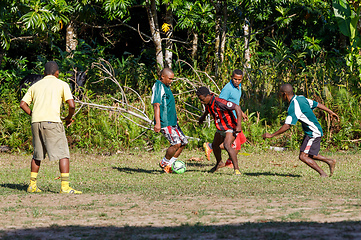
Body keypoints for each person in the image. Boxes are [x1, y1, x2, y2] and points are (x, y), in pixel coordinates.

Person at [20, 61, 82, 193]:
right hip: (52, 122)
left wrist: (33, 114)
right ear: (57, 73)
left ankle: (32, 185)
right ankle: (64, 187)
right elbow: (72, 105)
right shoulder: (62, 84)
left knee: (37, 155)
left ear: (44, 73)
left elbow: (23, 104)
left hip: (36, 122)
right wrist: (69, 117)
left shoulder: (35, 86)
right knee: (64, 154)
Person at [262, 83, 339, 177]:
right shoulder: (301, 98)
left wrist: (271, 135)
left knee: (303, 156)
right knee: (310, 154)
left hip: (313, 132)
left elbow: (287, 126)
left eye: (280, 94)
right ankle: (330, 161)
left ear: (284, 94)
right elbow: (317, 104)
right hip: (312, 131)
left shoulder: (293, 106)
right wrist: (331, 112)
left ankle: (323, 174)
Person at [203, 70, 248, 167]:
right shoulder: (227, 89)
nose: (237, 81)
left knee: (239, 143)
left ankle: (228, 160)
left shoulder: (238, 86)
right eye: (235, 79)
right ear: (231, 77)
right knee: (234, 145)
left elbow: (235, 103)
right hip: (229, 120)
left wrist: (242, 113)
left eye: (239, 79)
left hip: (236, 117)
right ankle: (212, 147)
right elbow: (220, 103)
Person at [197, 86, 243, 175]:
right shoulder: (208, 104)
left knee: (227, 145)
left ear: (208, 96)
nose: (201, 102)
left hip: (230, 127)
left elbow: (237, 107)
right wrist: (202, 117)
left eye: (202, 100)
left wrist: (239, 125)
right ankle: (219, 163)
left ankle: (237, 169)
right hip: (220, 128)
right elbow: (207, 110)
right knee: (215, 145)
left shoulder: (220, 102)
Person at [151, 68, 188, 173]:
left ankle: (169, 165)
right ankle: (164, 162)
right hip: (165, 122)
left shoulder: (166, 86)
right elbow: (156, 105)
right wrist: (158, 123)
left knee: (184, 142)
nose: (171, 81)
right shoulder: (158, 86)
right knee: (176, 143)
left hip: (172, 122)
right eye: (170, 79)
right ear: (162, 76)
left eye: (172, 79)